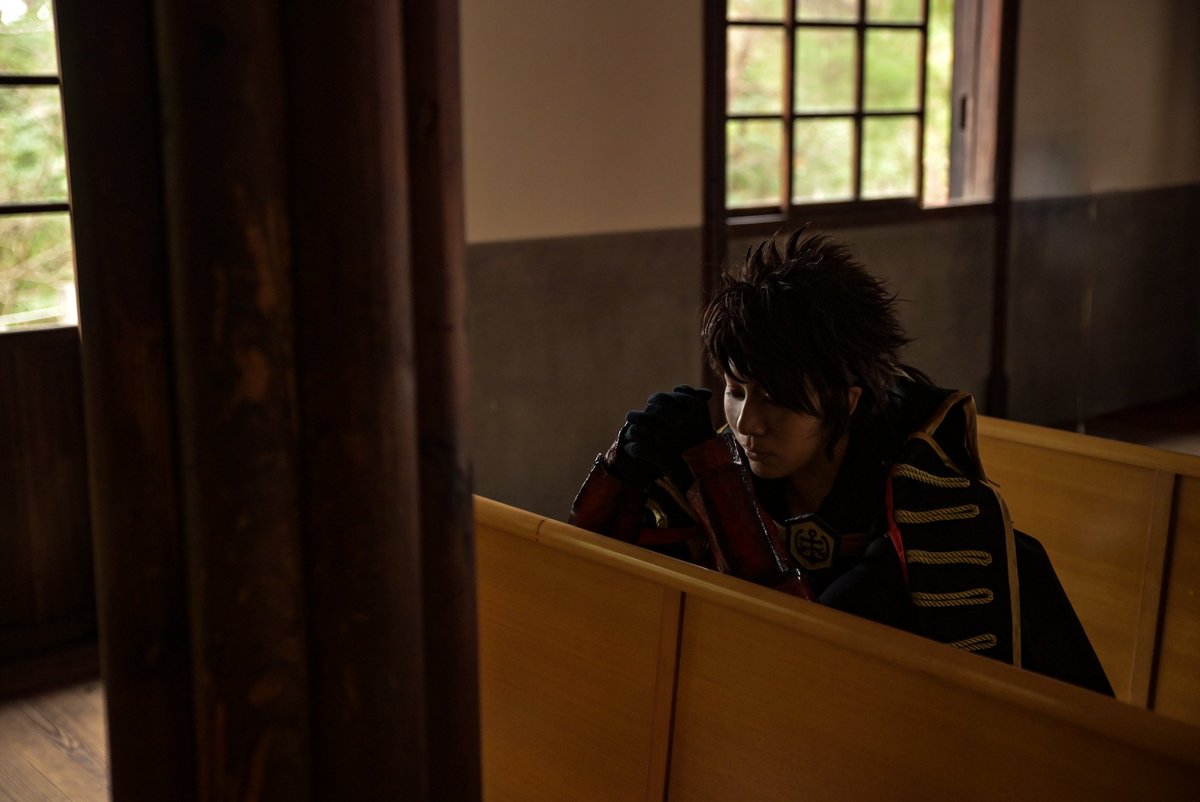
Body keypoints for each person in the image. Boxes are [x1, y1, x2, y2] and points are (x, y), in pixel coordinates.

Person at [570, 228, 1113, 696]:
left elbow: (800, 663)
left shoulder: (930, 513)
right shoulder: (731, 463)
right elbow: (591, 598)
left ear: (847, 401)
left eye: (776, 398)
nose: (747, 422)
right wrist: (625, 473)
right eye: (735, 390)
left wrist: (715, 477)